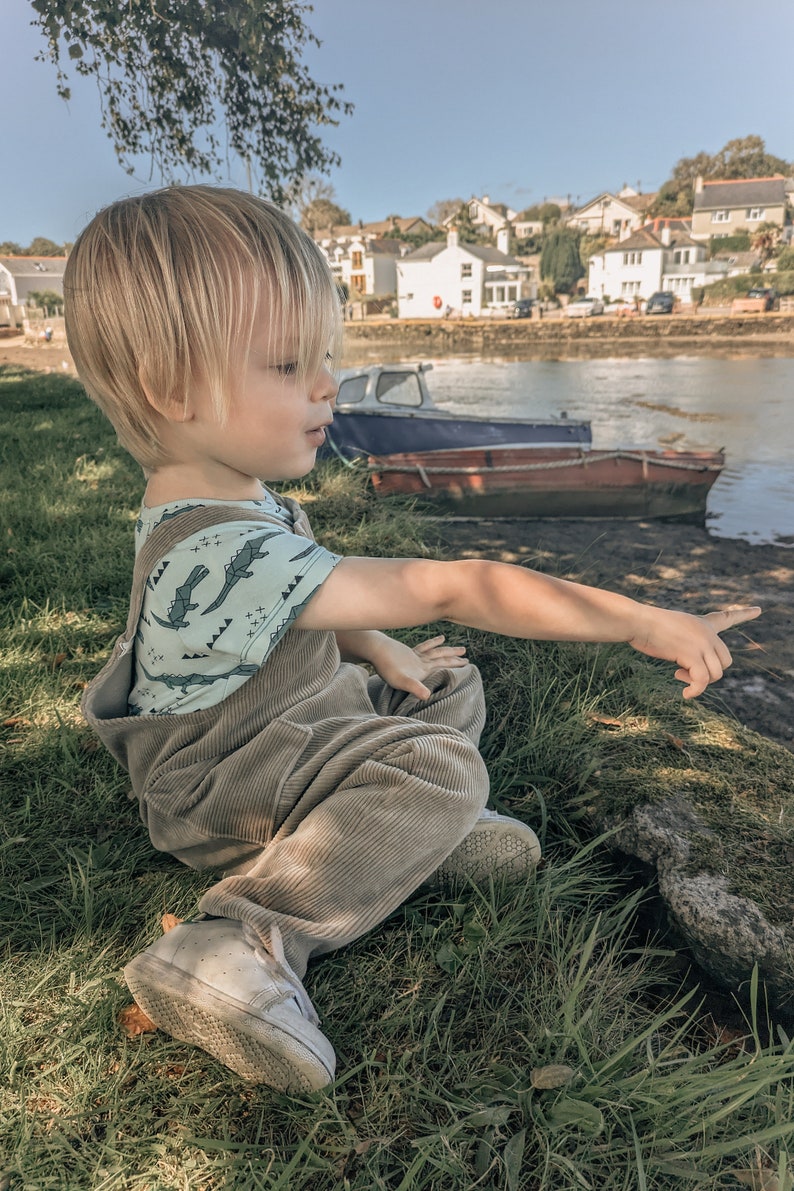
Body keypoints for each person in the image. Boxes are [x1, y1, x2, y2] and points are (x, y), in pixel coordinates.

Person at [65, 185, 759, 1095]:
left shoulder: (230, 499)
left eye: (323, 356)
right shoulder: (211, 547)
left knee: (446, 687)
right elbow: (457, 586)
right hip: (221, 786)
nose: (327, 384)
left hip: (287, 733)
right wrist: (642, 617)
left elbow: (298, 589)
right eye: (285, 364)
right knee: (443, 761)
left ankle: (392, 837)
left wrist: (384, 651)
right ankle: (241, 935)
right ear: (169, 387)